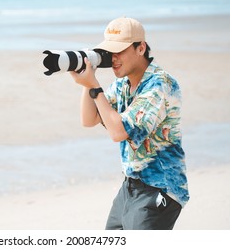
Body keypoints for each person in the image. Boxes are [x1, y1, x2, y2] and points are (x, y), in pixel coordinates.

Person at [70, 17, 189, 230]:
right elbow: (89, 119)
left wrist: (94, 86)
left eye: (119, 51)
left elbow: (119, 132)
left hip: (160, 188)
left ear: (141, 48)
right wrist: (86, 82)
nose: (113, 58)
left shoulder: (160, 84)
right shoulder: (122, 84)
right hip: (130, 186)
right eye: (109, 52)